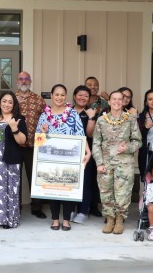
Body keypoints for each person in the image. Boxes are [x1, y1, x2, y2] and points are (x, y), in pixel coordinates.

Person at [36, 84, 91, 232]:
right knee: (53, 188)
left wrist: (87, 151)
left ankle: (66, 220)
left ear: (65, 97)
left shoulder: (72, 114)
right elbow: (39, 141)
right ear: (52, 96)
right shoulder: (44, 116)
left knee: (68, 188)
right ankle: (55, 219)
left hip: (70, 158)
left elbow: (81, 134)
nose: (59, 97)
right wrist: (43, 132)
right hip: (51, 159)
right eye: (56, 94)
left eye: (62, 95)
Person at [93, 91, 142, 235]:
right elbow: (96, 143)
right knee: (106, 192)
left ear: (123, 102)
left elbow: (138, 141)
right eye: (114, 99)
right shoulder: (101, 120)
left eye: (120, 99)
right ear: (109, 101)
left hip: (124, 163)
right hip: (106, 163)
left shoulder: (130, 119)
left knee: (123, 193)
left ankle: (120, 219)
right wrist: (99, 163)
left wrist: (127, 148)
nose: (117, 101)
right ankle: (109, 219)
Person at [0, 92, 27, 229]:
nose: (7, 104)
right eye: (4, 101)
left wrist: (14, 128)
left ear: (14, 105)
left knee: (10, 189)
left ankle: (8, 220)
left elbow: (23, 141)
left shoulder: (19, 119)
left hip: (11, 159)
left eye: (10, 102)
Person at [14, 71, 47, 219]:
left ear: (30, 81)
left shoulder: (39, 100)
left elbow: (45, 121)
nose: (24, 81)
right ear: (17, 81)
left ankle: (37, 207)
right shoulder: (11, 99)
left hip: (33, 146)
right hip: (13, 145)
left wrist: (42, 145)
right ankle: (15, 206)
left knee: (35, 177)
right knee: (14, 177)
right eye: (21, 79)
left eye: (26, 79)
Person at [70, 85, 97, 224]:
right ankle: (71, 209)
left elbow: (89, 134)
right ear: (74, 96)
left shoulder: (91, 112)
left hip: (86, 151)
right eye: (80, 95)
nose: (82, 98)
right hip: (69, 151)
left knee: (85, 181)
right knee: (70, 179)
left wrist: (91, 118)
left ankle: (82, 211)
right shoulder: (67, 111)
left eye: (86, 96)